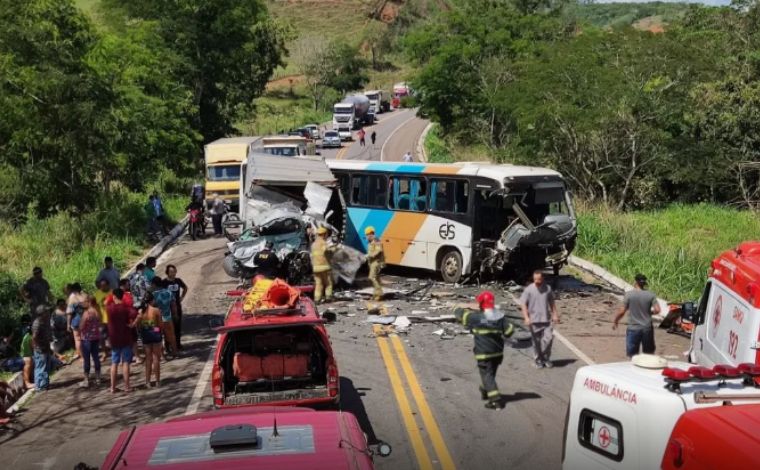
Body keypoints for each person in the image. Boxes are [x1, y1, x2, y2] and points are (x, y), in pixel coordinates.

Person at [454, 291, 515, 409]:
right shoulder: (500, 317)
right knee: (489, 374)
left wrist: (455, 308)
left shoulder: (477, 318)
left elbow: (463, 316)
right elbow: (509, 332)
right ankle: (485, 390)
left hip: (484, 353)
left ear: (482, 304)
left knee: (487, 375)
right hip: (497, 353)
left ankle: (496, 400)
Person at [613, 273, 661, 358]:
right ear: (644, 283)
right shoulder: (651, 295)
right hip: (647, 328)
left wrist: (616, 321)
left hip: (633, 328)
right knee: (648, 355)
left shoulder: (629, 295)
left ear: (635, 282)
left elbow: (622, 311)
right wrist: (649, 312)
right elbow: (657, 310)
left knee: (633, 356)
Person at [520, 271, 560, 368]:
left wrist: (555, 314)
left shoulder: (548, 289)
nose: (537, 281)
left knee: (549, 339)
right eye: (535, 279)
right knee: (536, 343)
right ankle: (538, 360)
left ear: (542, 279)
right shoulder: (529, 290)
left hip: (546, 320)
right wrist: (526, 317)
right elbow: (523, 304)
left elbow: (552, 303)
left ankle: (546, 358)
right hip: (534, 320)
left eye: (539, 279)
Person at [107, 289, 135, 393]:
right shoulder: (126, 309)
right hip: (125, 337)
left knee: (114, 363)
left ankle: (112, 387)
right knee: (126, 363)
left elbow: (106, 303)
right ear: (122, 296)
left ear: (114, 296)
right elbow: (134, 314)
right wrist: (132, 324)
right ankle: (127, 386)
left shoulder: (109, 309)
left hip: (114, 339)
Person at [137, 292, 163, 387]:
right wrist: (155, 330)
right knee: (156, 358)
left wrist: (146, 330)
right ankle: (157, 381)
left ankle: (147, 382)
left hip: (146, 335)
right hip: (155, 335)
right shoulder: (156, 310)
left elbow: (139, 325)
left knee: (148, 358)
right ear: (152, 300)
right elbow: (160, 326)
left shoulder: (141, 311)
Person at [150, 277, 177, 358]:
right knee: (171, 336)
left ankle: (162, 356)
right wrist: (175, 315)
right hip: (167, 319)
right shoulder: (169, 292)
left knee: (158, 337)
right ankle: (174, 352)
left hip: (157, 322)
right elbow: (173, 305)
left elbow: (151, 307)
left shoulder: (153, 295)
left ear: (154, 284)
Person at [79, 296, 102, 388]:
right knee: (96, 357)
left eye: (84, 301)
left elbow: (81, 326)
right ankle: (98, 378)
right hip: (96, 338)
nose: (82, 303)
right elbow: (99, 323)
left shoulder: (86, 313)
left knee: (87, 359)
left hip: (86, 339)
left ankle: (86, 379)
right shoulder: (97, 312)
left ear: (89, 302)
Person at [164, 265, 187, 350]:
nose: (173, 273)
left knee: (177, 326)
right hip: (167, 308)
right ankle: (168, 345)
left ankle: (178, 343)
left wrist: (181, 297)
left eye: (174, 271)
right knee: (168, 328)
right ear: (167, 272)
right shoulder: (164, 282)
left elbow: (185, 288)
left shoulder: (178, 281)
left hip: (177, 306)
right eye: (171, 272)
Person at [311, 226, 336, 303]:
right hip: (325, 267)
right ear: (324, 234)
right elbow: (327, 251)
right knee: (328, 283)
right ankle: (328, 298)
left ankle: (317, 299)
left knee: (318, 284)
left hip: (315, 268)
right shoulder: (323, 243)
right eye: (326, 234)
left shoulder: (313, 244)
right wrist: (334, 248)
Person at [31, 305, 53, 391]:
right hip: (40, 350)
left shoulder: (43, 321)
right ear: (42, 313)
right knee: (41, 367)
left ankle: (44, 384)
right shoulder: (37, 323)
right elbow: (34, 337)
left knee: (45, 367)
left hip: (45, 348)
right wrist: (37, 347)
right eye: (46, 312)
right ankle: (40, 386)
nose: (47, 313)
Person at [66, 283, 87, 360]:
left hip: (76, 320)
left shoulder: (71, 298)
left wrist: (68, 324)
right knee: (86, 337)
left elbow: (69, 313)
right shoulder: (84, 295)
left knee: (77, 339)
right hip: (86, 319)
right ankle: (89, 353)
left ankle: (82, 357)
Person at [364, 227, 385, 301]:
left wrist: (369, 255)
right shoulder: (371, 241)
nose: (366, 236)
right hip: (372, 262)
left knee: (372, 277)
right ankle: (376, 294)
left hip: (376, 262)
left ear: (371, 234)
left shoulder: (376, 241)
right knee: (376, 278)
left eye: (367, 235)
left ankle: (379, 294)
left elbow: (378, 251)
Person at [94, 279, 112, 361]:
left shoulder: (112, 292)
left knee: (111, 336)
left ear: (108, 285)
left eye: (104, 285)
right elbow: (95, 306)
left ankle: (114, 351)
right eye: (101, 286)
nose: (103, 287)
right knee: (101, 337)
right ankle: (105, 352)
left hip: (111, 317)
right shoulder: (97, 294)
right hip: (101, 319)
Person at [51, 298, 70, 362]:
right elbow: (53, 327)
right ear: (57, 305)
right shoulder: (54, 314)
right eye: (60, 304)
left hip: (68, 332)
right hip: (58, 335)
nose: (62, 306)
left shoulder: (68, 311)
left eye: (63, 304)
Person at [19, 315, 34, 390]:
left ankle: (32, 380)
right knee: (28, 361)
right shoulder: (29, 336)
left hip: (26, 353)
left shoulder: (26, 334)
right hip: (25, 355)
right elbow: (33, 348)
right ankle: (27, 383)